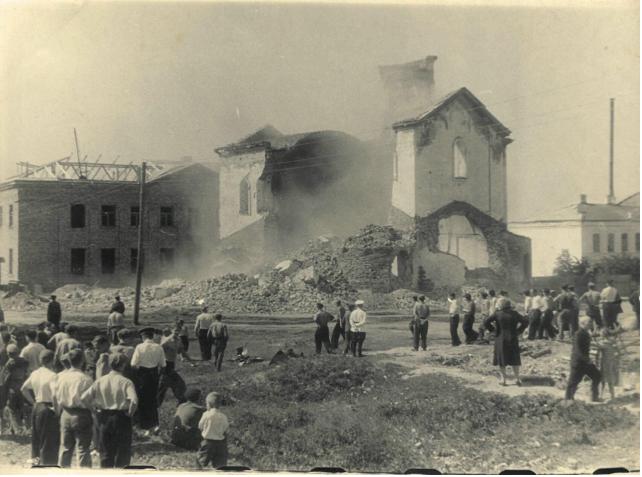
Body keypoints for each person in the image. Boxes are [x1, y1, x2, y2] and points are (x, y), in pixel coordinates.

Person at [81, 353, 137, 468]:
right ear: (122, 366)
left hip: (104, 417)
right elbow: (134, 401)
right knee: (123, 451)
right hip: (121, 417)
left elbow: (84, 398)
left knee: (105, 451)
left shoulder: (100, 381)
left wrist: (93, 410)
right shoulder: (126, 382)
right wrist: (130, 413)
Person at [53, 348, 94, 467]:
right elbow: (89, 400)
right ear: (82, 361)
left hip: (65, 413)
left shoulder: (60, 377)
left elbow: (55, 396)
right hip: (81, 414)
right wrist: (94, 413)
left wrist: (57, 411)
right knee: (83, 448)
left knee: (65, 447)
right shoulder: (86, 379)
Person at [21, 349, 60, 466]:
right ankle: (47, 465)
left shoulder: (35, 373)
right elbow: (54, 394)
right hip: (48, 407)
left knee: (36, 439)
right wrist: (57, 409)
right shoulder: (53, 375)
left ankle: (36, 463)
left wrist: (33, 402)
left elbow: (23, 389)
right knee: (48, 440)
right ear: (51, 361)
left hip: (37, 406)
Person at [483, 299, 529, 386]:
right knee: (514, 359)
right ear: (509, 305)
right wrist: (519, 331)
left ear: (500, 305)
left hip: (501, 338)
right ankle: (517, 378)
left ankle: (503, 379)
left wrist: (493, 330)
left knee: (502, 359)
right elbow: (525, 322)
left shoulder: (497, 314)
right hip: (513, 337)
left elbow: (486, 321)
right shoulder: (515, 313)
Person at [130, 327, 165, 435]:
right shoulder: (158, 347)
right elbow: (163, 365)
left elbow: (133, 364)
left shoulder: (140, 347)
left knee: (141, 399)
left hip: (142, 374)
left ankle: (143, 425)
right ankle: (154, 424)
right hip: (154, 374)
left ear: (143, 336)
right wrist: (157, 374)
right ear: (152, 336)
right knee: (152, 399)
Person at [565, 315, 601, 402]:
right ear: (583, 323)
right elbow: (578, 350)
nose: (591, 324)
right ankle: (568, 400)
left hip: (585, 362)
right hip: (578, 362)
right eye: (590, 322)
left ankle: (594, 397)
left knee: (597, 376)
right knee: (573, 382)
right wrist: (587, 360)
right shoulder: (578, 334)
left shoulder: (585, 332)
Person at [2, 344, 30, 434]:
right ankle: (25, 426)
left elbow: (6, 378)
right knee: (21, 406)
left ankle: (16, 428)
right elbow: (26, 373)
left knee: (11, 408)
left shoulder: (10, 363)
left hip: (12, 387)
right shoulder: (24, 361)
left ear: (9, 353)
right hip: (22, 386)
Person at [158, 328, 190, 406]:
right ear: (171, 332)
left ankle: (181, 400)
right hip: (165, 364)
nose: (176, 334)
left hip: (171, 364)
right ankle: (181, 400)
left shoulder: (178, 340)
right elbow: (160, 349)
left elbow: (181, 351)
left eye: (177, 332)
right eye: (174, 332)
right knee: (167, 384)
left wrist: (190, 360)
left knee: (167, 384)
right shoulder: (167, 340)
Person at [196, 392, 229, 469]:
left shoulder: (206, 414)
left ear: (209, 404)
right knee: (220, 465)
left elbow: (200, 426)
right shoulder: (223, 416)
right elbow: (226, 429)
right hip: (220, 444)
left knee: (201, 461)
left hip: (207, 442)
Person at [596, 328, 621, 400]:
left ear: (603, 335)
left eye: (601, 334)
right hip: (611, 362)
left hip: (604, 363)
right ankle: (612, 395)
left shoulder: (601, 343)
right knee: (610, 379)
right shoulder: (612, 342)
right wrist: (616, 359)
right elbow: (618, 352)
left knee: (603, 379)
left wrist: (597, 362)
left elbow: (597, 354)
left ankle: (601, 395)